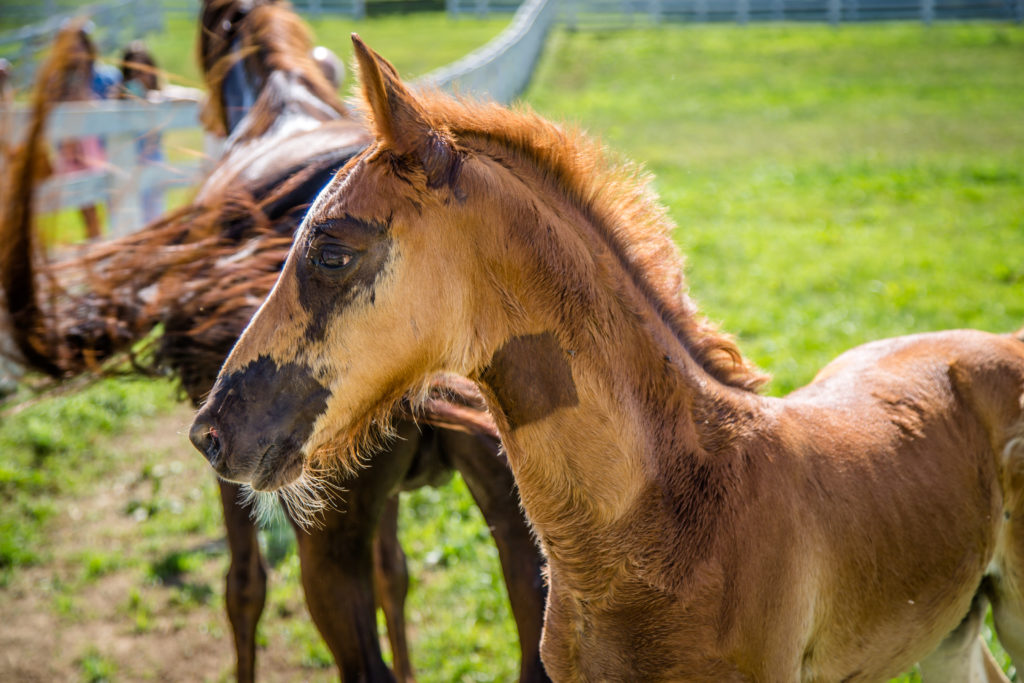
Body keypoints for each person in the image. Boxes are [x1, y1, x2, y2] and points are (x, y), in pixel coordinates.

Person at [53, 22, 120, 239]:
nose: (75, 52)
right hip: (72, 153)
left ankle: (119, 241)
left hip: (103, 148)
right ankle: (96, 243)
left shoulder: (106, 77)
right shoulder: (56, 83)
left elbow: (117, 109)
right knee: (87, 209)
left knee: (117, 203)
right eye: (69, 47)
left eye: (78, 46)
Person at [119, 41, 165, 223]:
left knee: (154, 213)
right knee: (129, 215)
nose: (141, 77)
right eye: (134, 72)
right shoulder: (121, 99)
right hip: (129, 163)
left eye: (144, 70)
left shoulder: (159, 96)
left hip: (154, 160)